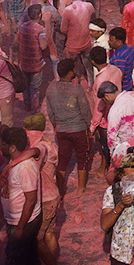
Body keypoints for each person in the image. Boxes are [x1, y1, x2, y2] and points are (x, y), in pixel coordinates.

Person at [0, 126, 44, 265]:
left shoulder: (24, 167)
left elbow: (31, 199)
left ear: (11, 148)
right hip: (20, 220)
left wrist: (19, 228)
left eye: (3, 143)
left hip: (23, 222)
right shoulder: (18, 161)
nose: (0, 146)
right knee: (30, 257)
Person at [21, 114, 62, 265]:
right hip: (52, 195)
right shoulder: (49, 143)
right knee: (49, 233)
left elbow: (34, 153)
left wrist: (11, 164)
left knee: (36, 239)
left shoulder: (40, 146)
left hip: (45, 198)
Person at [46, 58, 92, 200]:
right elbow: (85, 111)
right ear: (70, 72)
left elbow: (50, 112)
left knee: (63, 159)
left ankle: (61, 189)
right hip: (79, 129)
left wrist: (56, 126)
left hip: (62, 130)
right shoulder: (77, 89)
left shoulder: (50, 88)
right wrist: (90, 127)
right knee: (82, 158)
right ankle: (81, 188)